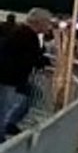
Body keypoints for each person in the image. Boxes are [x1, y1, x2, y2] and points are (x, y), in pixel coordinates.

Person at [0, 8, 54, 141]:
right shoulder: (27, 35)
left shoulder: (22, 33)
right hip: (9, 78)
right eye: (47, 22)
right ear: (39, 22)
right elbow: (31, 57)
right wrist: (45, 62)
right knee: (4, 107)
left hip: (12, 77)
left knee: (29, 96)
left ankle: (9, 125)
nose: (49, 26)